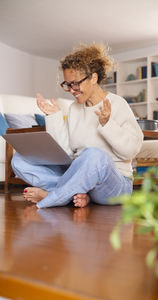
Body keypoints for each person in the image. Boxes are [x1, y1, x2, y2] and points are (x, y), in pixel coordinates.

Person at [11, 43, 143, 209]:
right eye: (67, 84)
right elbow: (66, 153)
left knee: (94, 155)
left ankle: (54, 197)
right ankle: (73, 194)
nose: (71, 90)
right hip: (81, 177)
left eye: (75, 83)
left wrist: (107, 124)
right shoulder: (74, 108)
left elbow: (131, 151)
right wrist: (54, 117)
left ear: (93, 78)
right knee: (20, 159)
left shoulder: (117, 104)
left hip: (115, 185)